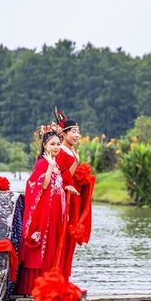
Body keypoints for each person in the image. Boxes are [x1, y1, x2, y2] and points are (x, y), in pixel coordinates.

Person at [15, 124, 78, 296]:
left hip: (55, 214)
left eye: (58, 144)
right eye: (53, 144)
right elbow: (40, 185)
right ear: (45, 146)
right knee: (42, 249)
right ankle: (35, 287)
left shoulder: (55, 164)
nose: (56, 147)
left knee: (53, 247)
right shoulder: (44, 163)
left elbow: (58, 185)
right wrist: (49, 165)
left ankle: (50, 285)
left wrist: (67, 188)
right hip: (45, 215)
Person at [55, 114, 95, 280]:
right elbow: (62, 178)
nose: (77, 135)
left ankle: (65, 276)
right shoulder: (61, 152)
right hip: (66, 199)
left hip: (75, 198)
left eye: (78, 131)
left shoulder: (72, 151)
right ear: (64, 134)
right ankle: (59, 276)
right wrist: (74, 164)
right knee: (63, 239)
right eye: (73, 131)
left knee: (70, 241)